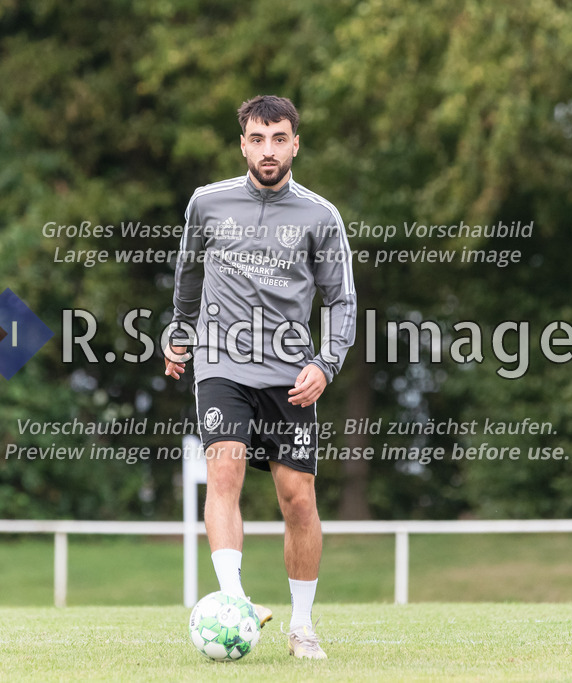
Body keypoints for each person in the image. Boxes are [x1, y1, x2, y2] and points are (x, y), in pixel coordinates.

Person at [163, 95, 356, 660]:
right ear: (242, 142)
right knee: (223, 470)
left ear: (295, 143)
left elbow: (341, 300)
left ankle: (301, 626)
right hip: (220, 361)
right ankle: (233, 604)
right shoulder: (208, 203)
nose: (267, 150)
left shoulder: (320, 216)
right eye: (256, 138)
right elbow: (188, 275)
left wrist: (326, 362)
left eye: (278, 139)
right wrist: (180, 332)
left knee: (297, 499)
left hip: (291, 374)